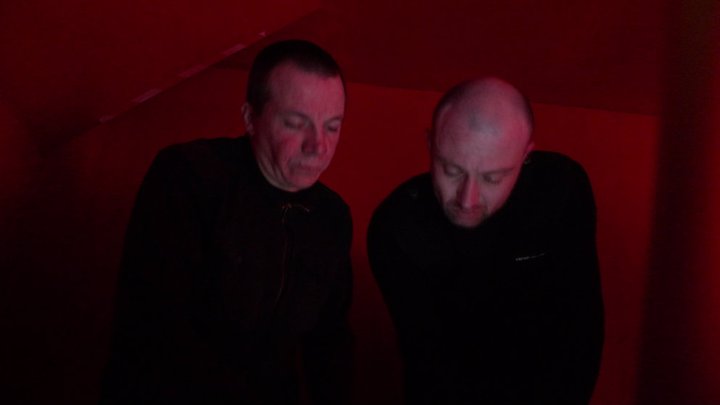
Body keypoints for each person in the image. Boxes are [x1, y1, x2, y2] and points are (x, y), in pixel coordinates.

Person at [100, 40, 353, 404]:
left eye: (332, 127)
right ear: (250, 118)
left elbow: (329, 344)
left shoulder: (332, 216)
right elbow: (154, 332)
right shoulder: (188, 177)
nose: (319, 146)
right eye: (296, 124)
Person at [367, 78, 604, 404]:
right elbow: (429, 364)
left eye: (492, 178)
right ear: (431, 145)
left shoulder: (562, 192)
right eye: (451, 170)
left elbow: (581, 333)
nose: (467, 200)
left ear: (525, 157)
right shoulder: (398, 225)